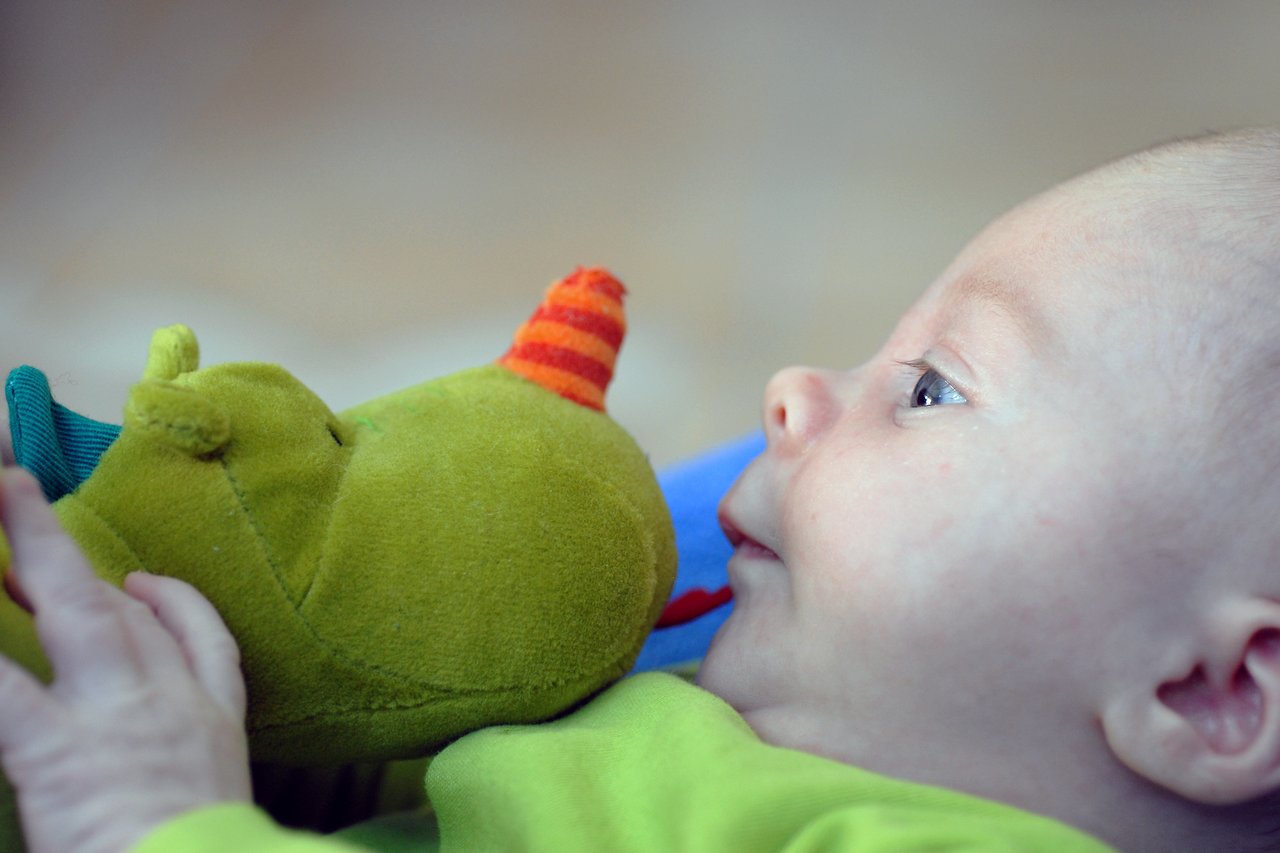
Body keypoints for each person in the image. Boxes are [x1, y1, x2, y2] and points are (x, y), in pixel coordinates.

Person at [1, 128, 1277, 852]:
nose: (789, 389)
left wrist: (153, 817)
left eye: (932, 387)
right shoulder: (702, 703)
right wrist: (268, 725)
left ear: (1208, 693)